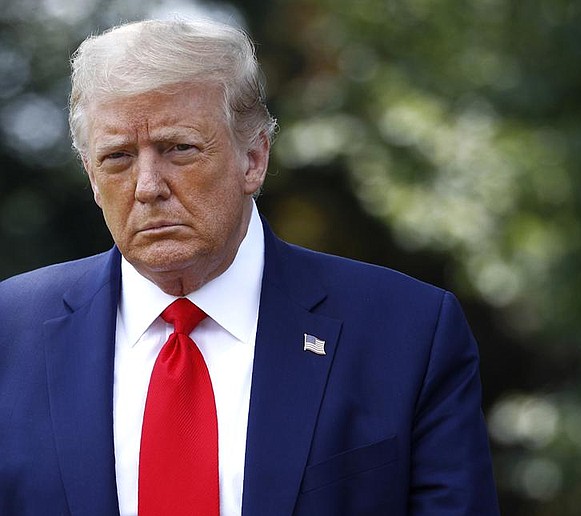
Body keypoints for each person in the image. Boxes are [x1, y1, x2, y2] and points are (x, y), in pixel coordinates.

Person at [0, 18, 499, 516]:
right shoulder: (11, 332)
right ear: (91, 176)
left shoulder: (407, 330)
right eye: (117, 158)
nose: (148, 186)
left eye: (179, 149)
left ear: (254, 158)